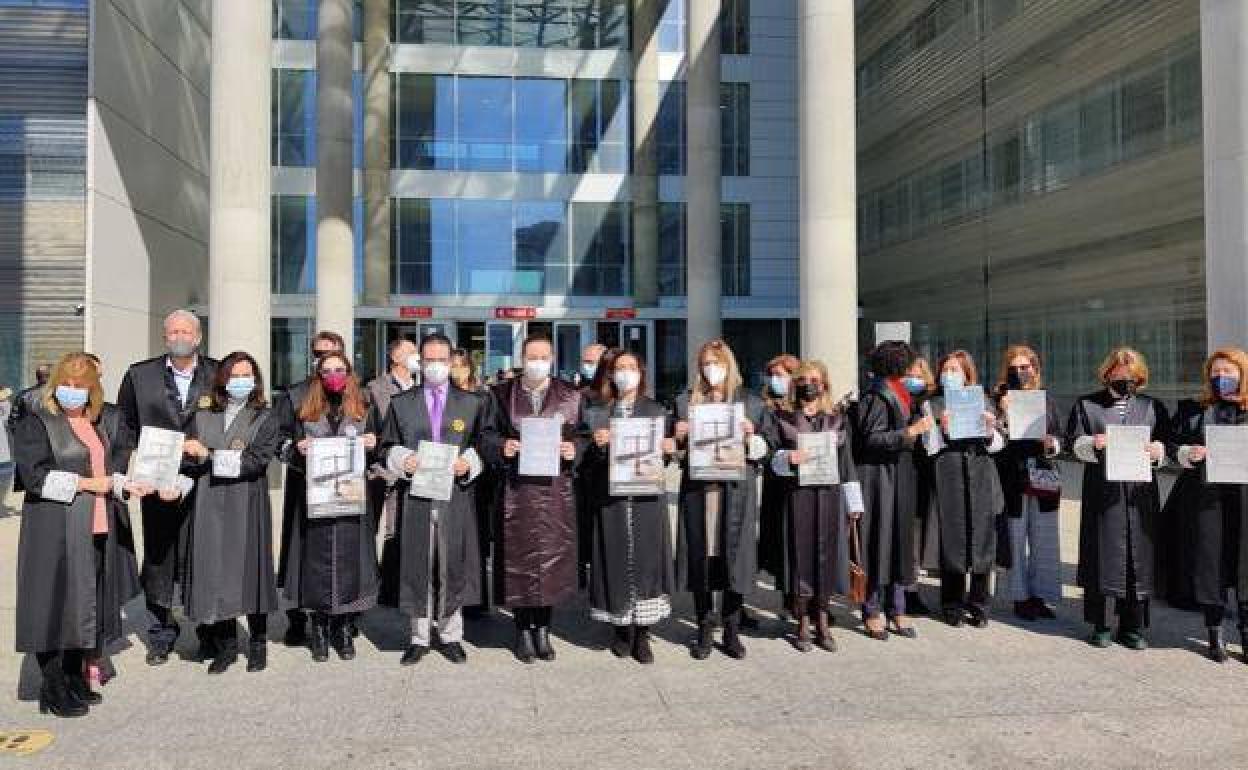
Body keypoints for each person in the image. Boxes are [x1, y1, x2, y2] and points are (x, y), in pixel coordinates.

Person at [14, 352, 146, 716]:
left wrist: (124, 485)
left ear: (93, 389)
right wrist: (91, 483)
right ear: (55, 383)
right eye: (67, 384)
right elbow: (35, 478)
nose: (73, 391)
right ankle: (52, 687)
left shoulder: (95, 422)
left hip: (95, 525)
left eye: (82, 385)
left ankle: (73, 677)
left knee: (82, 607)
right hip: (53, 529)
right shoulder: (37, 421)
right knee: (52, 606)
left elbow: (105, 467)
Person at [379, 333, 491, 665]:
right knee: (418, 562)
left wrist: (468, 463)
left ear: (452, 361)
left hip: (455, 495)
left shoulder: (472, 403)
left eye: (443, 360)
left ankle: (451, 634)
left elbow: (485, 444)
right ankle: (418, 636)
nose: (436, 366)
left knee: (452, 562)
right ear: (420, 363)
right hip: (416, 496)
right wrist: (402, 459)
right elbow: (387, 446)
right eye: (430, 360)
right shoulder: (402, 404)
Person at [116, 309, 219, 665]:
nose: (179, 336)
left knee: (203, 555)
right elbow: (125, 428)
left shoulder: (218, 373)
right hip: (155, 483)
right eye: (172, 331)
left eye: (186, 331)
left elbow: (230, 425)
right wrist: (122, 479)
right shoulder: (139, 375)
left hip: (204, 481)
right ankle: (161, 632)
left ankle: (209, 630)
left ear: (198, 336)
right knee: (160, 557)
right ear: (164, 337)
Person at [180, 351, 282, 674]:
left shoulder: (264, 416)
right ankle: (225, 645)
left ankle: (258, 642)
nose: (241, 381)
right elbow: (187, 460)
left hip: (246, 502)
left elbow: (256, 462)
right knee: (213, 571)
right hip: (208, 502)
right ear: (223, 379)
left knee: (251, 572)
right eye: (235, 375)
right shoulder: (203, 414)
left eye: (247, 374)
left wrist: (209, 455)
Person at [673, 339, 772, 660]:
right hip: (699, 492)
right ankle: (703, 624)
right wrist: (679, 437)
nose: (710, 370)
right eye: (704, 363)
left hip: (735, 492)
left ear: (729, 365)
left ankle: (731, 627)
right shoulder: (686, 401)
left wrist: (750, 436)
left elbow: (766, 450)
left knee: (736, 559)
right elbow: (673, 454)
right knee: (702, 556)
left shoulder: (751, 403)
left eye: (716, 363)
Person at [280, 351, 380, 662]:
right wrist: (297, 449)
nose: (333, 375)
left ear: (350, 373)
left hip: (351, 498)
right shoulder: (302, 408)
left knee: (350, 561)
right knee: (316, 561)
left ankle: (344, 627)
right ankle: (319, 627)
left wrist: (373, 445)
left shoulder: (365, 407)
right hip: (316, 499)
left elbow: (382, 450)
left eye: (340, 369)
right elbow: (280, 445)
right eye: (327, 371)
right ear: (317, 375)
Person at [1069, 347, 1170, 650]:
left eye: (1130, 374)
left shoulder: (1152, 407)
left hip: (1140, 492)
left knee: (1137, 559)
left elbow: (1167, 443)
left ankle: (1132, 626)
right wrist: (1091, 443)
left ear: (1139, 377)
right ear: (1107, 373)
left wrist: (1159, 451)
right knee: (1101, 553)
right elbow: (1072, 442)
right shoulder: (1088, 405)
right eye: (1118, 372)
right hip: (1104, 491)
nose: (1124, 378)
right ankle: (1099, 624)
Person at [490, 335, 582, 663]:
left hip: (555, 491)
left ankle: (543, 629)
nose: (537, 361)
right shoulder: (501, 394)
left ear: (553, 359)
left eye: (544, 356)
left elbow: (582, 435)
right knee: (519, 562)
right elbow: (485, 435)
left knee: (551, 563)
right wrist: (502, 446)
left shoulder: (570, 395)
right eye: (532, 356)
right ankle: (522, 629)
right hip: (517, 491)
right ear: (521, 357)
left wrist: (576, 450)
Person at [579, 349, 675, 663]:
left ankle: (643, 633)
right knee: (615, 557)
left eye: (632, 367)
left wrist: (669, 447)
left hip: (647, 498)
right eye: (620, 368)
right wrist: (595, 445)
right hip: (611, 499)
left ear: (641, 373)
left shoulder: (657, 410)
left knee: (646, 559)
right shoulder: (596, 412)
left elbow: (670, 455)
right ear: (610, 374)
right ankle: (620, 629)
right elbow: (582, 462)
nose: (626, 373)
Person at [766, 360, 863, 652]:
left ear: (824, 384)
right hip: (797, 496)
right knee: (800, 558)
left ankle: (822, 619)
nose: (809, 383)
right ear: (795, 384)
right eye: (803, 378)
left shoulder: (836, 418)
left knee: (826, 558)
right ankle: (802, 622)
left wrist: (853, 502)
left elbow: (847, 463)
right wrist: (786, 459)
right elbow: (771, 456)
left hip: (830, 495)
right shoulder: (782, 417)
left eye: (815, 379)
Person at [1163, 348, 1248, 661]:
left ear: (1242, 374)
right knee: (1211, 563)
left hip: (1244, 498)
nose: (1221, 377)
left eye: (1228, 371)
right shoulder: (1193, 409)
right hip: (1206, 497)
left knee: (1245, 564)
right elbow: (1170, 445)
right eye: (1216, 372)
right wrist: (1188, 453)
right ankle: (1214, 634)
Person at [849, 341, 933, 641]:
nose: (914, 369)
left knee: (899, 540)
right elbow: (871, 439)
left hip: (900, 475)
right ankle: (872, 610)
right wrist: (909, 432)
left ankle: (897, 607)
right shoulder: (876, 394)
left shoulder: (900, 390)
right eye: (909, 362)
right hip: (878, 478)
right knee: (877, 540)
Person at [275, 331, 346, 647]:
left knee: (343, 552)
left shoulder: (359, 396)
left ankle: (342, 619)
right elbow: (276, 441)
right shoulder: (294, 395)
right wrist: (294, 448)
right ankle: (297, 617)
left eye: (332, 354)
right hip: (305, 487)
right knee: (300, 551)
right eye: (319, 353)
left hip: (346, 489)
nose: (325, 360)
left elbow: (378, 438)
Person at [928, 350, 1005, 628]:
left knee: (983, 539)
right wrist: (941, 429)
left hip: (981, 473)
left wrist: (989, 429)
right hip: (949, 475)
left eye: (956, 370)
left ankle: (980, 603)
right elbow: (927, 447)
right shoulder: (933, 404)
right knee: (953, 540)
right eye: (946, 370)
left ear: (967, 374)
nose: (950, 375)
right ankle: (952, 603)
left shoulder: (983, 401)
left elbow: (998, 444)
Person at [992, 345, 1064, 621]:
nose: (1019, 372)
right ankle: (1020, 597)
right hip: (1012, 476)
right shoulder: (998, 397)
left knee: (1044, 538)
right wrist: (1001, 413)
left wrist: (1051, 443)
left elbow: (1061, 436)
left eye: (1025, 367)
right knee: (1015, 537)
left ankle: (1040, 596)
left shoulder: (1045, 399)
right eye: (1013, 368)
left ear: (1035, 369)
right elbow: (992, 438)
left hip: (1043, 474)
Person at [365, 337, 421, 537]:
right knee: (369, 530)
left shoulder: (420, 389)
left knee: (398, 532)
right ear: (395, 357)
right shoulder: (376, 389)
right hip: (380, 471)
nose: (418, 357)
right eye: (412, 352)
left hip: (411, 470)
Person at [758, 354, 800, 589]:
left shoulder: (802, 405)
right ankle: (787, 595)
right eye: (772, 375)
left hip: (802, 478)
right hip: (776, 480)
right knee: (780, 537)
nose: (775, 380)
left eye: (780, 375)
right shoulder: (767, 407)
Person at [903, 355, 938, 616]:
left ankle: (911, 590)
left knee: (915, 534)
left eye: (918, 374)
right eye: (908, 374)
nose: (913, 379)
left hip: (923, 473)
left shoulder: (930, 403)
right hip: (901, 471)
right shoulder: (896, 400)